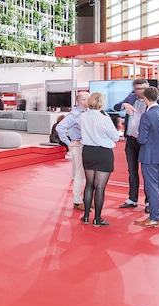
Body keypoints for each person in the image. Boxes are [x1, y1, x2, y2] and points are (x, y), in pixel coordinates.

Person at [134, 87, 159, 228]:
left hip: (149, 156)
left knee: (151, 186)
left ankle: (155, 217)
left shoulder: (147, 115)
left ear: (145, 98)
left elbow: (142, 139)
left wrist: (137, 136)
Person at [77, 93, 119, 225]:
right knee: (100, 187)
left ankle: (85, 216)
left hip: (88, 152)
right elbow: (115, 137)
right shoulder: (104, 119)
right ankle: (97, 219)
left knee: (89, 184)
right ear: (101, 104)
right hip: (103, 152)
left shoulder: (82, 116)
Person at [113, 78, 152, 211]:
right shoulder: (131, 98)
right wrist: (124, 105)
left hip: (146, 141)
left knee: (147, 172)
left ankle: (149, 202)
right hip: (130, 140)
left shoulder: (154, 100)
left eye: (144, 88)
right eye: (138, 89)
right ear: (134, 90)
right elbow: (116, 107)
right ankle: (132, 199)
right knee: (132, 171)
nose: (141, 91)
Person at [56, 91, 90, 211]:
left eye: (88, 99)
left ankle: (87, 199)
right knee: (80, 174)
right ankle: (77, 201)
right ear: (78, 101)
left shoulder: (89, 112)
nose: (87, 101)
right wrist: (69, 143)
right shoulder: (74, 114)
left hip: (89, 145)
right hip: (78, 146)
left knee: (89, 174)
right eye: (84, 99)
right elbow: (59, 127)